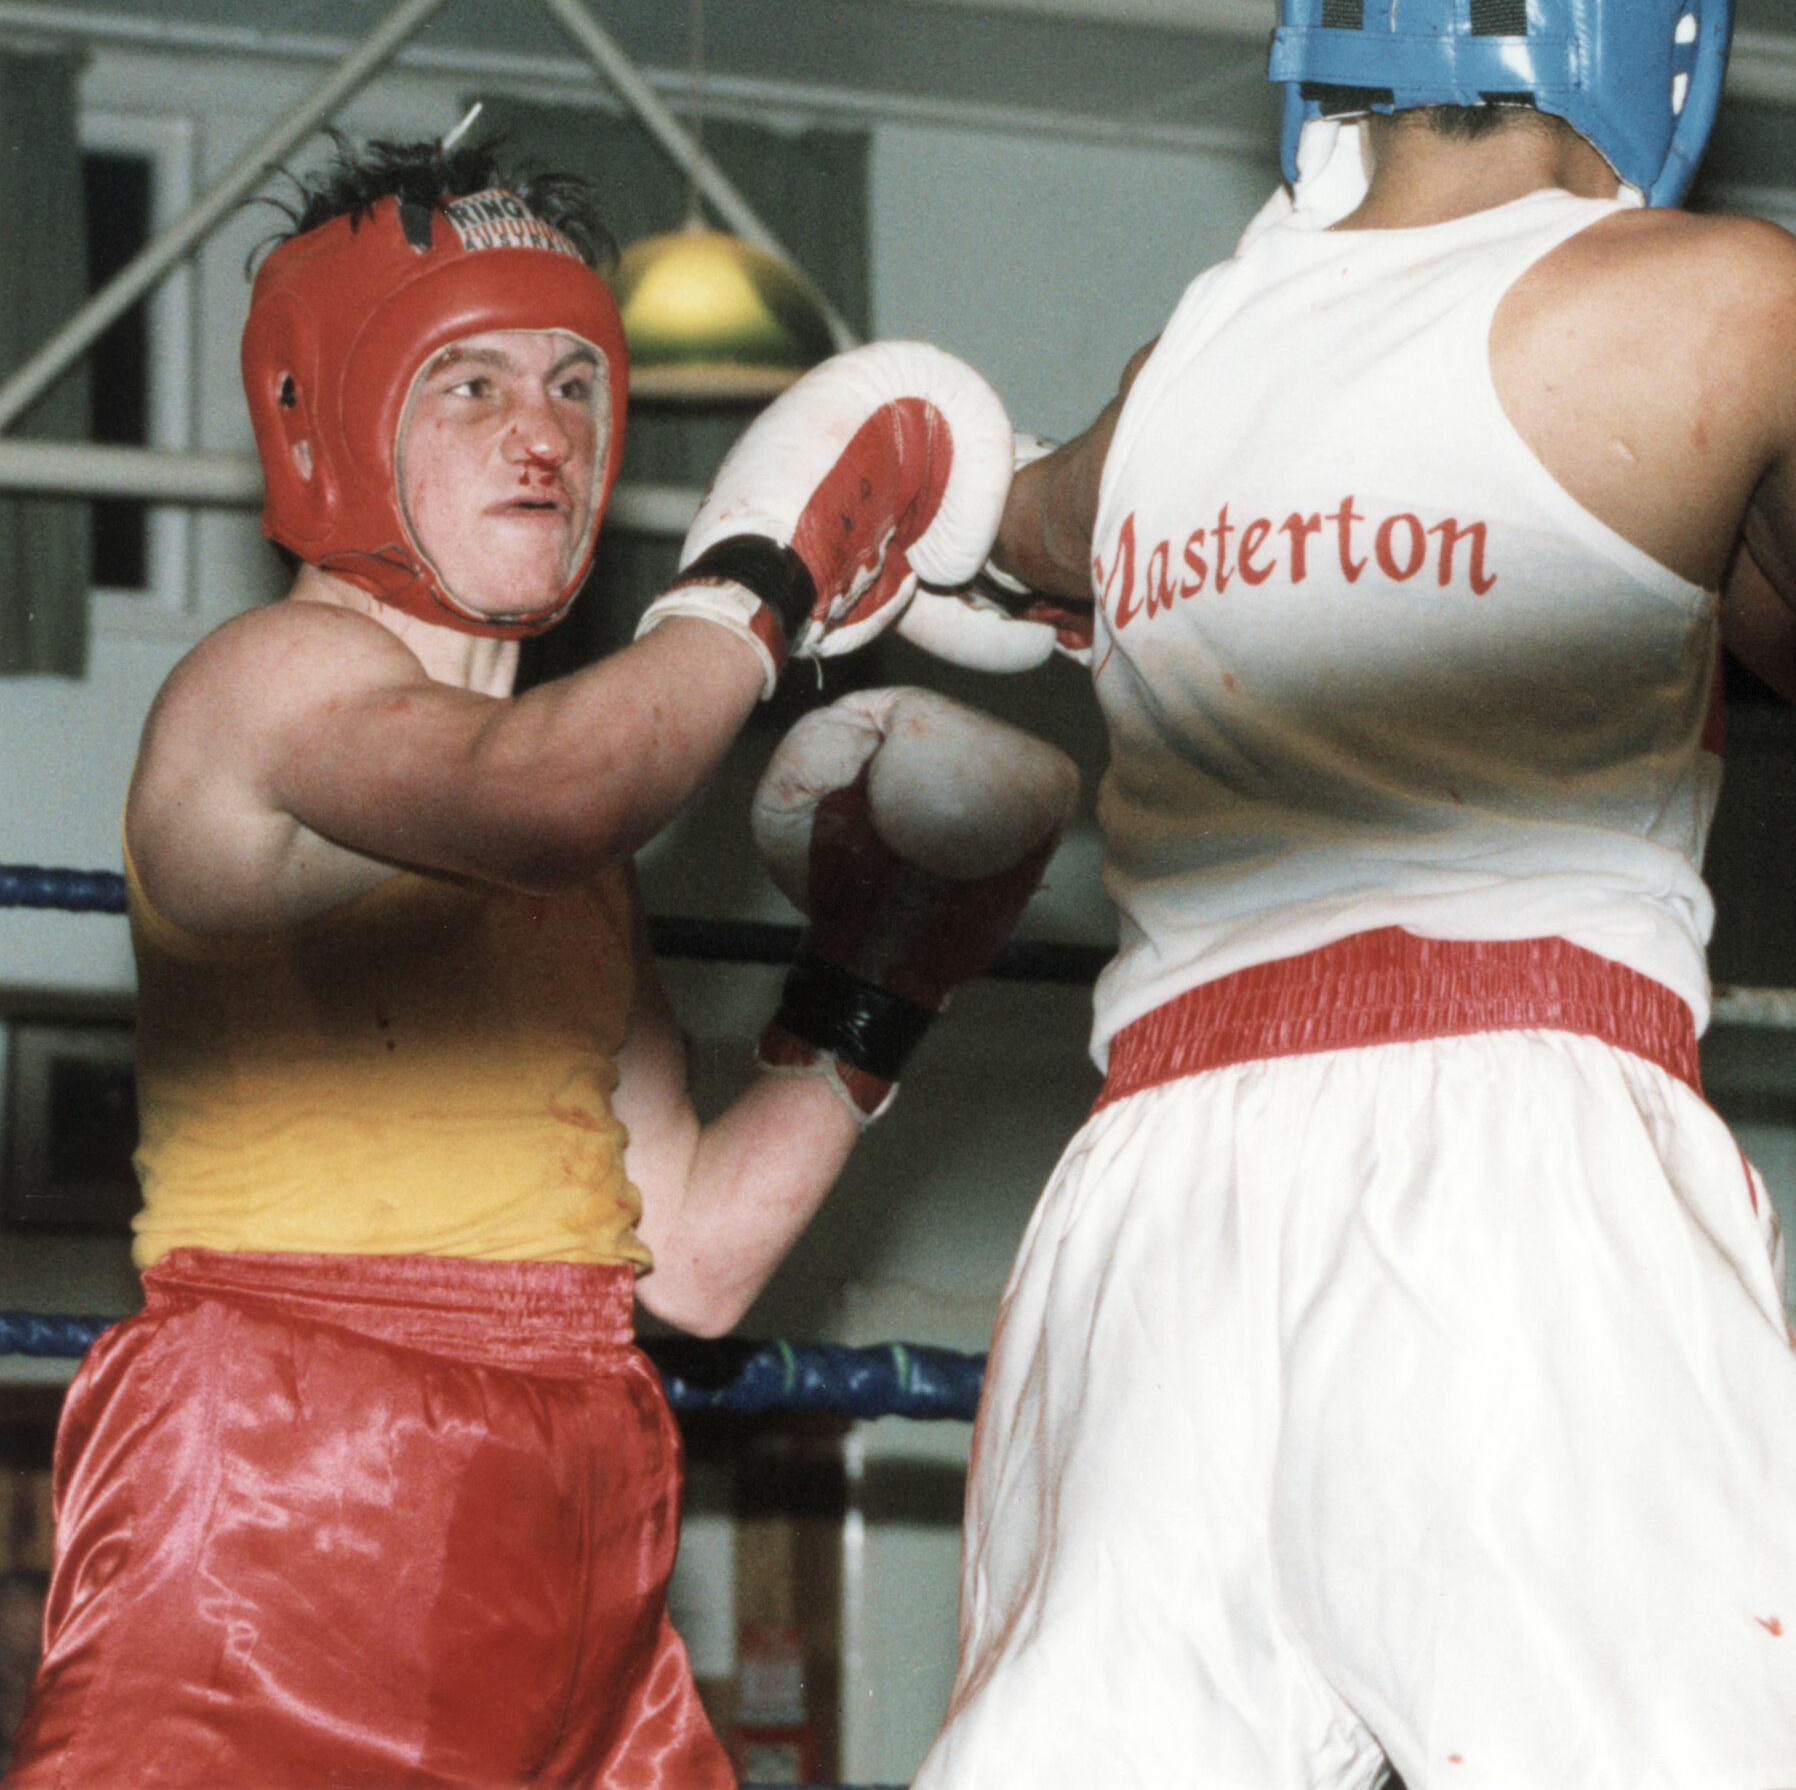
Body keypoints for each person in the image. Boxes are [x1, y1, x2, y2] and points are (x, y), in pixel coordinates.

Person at [903, 0, 1796, 1789]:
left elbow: (1000, 527)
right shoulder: (1724, 303)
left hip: (1152, 1200)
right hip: (1511, 1151)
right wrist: (1693, 555)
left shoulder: (1181, 363)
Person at [5, 134, 1078, 1787]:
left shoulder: (563, 849)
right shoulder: (267, 684)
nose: (546, 431)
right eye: (473, 382)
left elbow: (695, 1257)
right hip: (302, 1476)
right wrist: (761, 570)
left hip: (578, 1485)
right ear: (330, 420)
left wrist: (883, 969)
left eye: (579, 382)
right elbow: (564, 784)